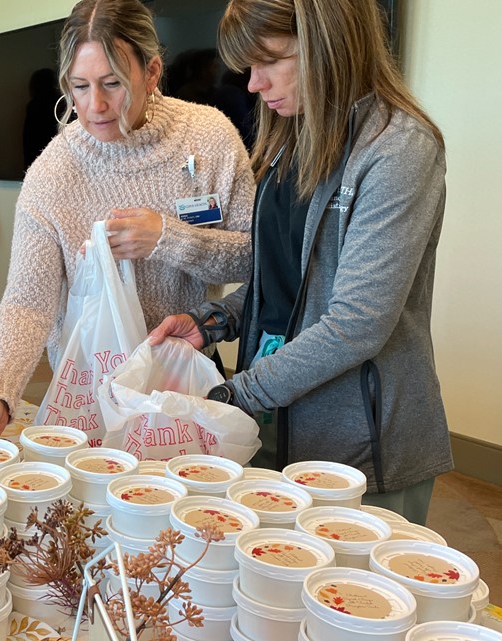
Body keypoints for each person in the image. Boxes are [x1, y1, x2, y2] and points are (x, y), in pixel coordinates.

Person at [148, 0, 451, 524]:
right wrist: (212, 321)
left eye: (270, 60)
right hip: (275, 413)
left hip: (359, 441)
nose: (253, 84)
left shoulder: (397, 149)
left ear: (327, 44)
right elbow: (283, 284)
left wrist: (233, 394)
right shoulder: (291, 142)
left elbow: (356, 325)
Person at [0, 0, 254, 437]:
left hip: (181, 382)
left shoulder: (209, 138)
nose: (95, 105)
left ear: (151, 72)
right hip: (89, 390)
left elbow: (256, 258)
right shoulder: (54, 171)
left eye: (112, 83)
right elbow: (27, 301)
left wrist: (167, 238)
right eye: (79, 86)